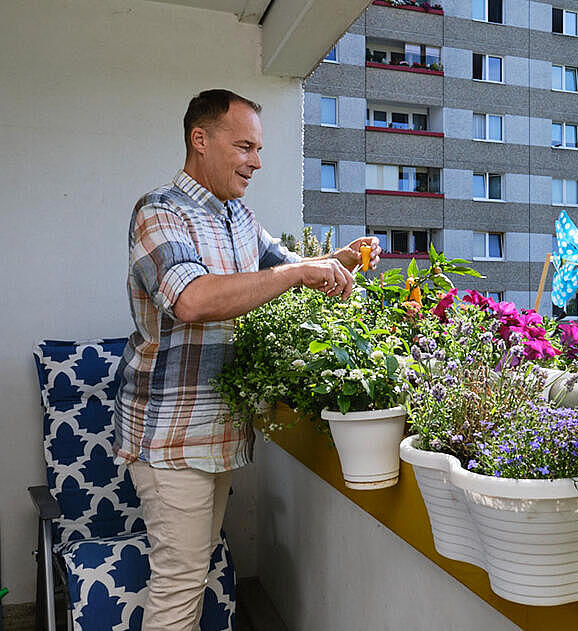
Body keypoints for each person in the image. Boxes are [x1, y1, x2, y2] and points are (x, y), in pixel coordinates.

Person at [112, 89, 380, 631]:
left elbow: (292, 266)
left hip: (218, 432)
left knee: (193, 572)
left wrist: (341, 260)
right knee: (180, 584)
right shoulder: (160, 211)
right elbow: (191, 300)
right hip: (171, 435)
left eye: (258, 148)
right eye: (245, 147)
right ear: (200, 139)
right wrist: (295, 274)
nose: (257, 161)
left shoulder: (238, 216)